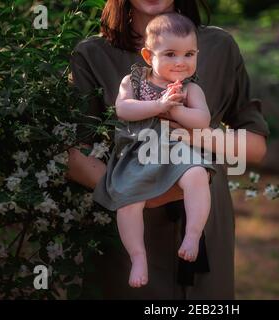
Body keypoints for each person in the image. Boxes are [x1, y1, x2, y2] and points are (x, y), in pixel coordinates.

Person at [68, 0, 269, 299]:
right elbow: (72, 155)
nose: (181, 59)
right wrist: (139, 193)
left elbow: (254, 147)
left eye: (188, 54)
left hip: (204, 221)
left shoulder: (219, 46)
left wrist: (196, 137)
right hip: (126, 218)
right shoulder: (92, 54)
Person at [100, 12, 216, 288]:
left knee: (198, 174)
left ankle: (193, 233)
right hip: (139, 153)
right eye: (171, 54)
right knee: (128, 202)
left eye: (189, 54)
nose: (181, 62)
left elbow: (202, 120)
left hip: (177, 150)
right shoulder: (133, 82)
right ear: (147, 55)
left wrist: (175, 108)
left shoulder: (190, 90)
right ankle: (138, 256)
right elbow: (124, 109)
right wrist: (158, 106)